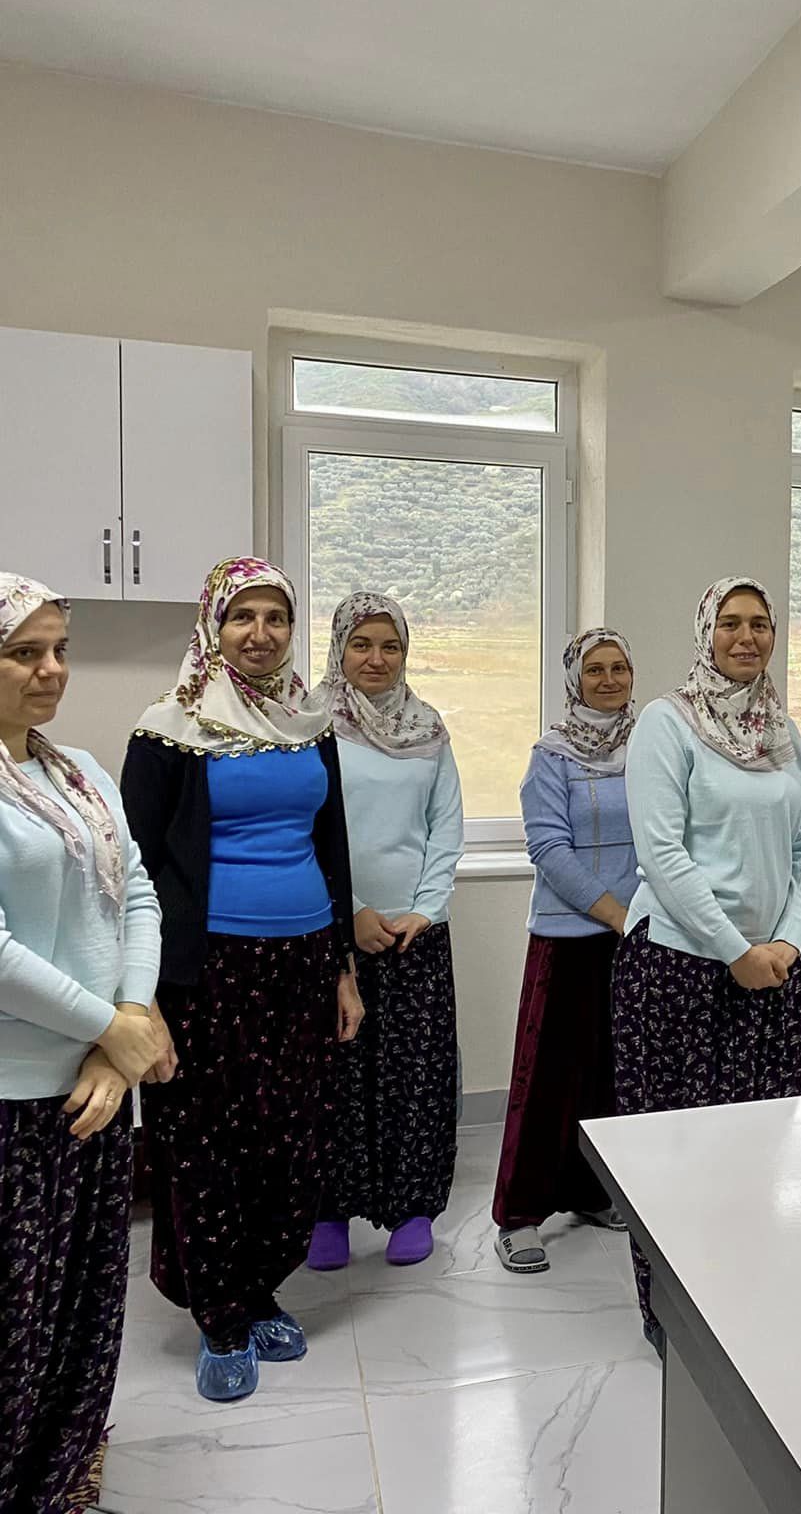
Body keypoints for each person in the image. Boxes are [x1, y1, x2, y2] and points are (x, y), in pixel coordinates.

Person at [122, 557, 362, 1402]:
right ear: (212, 626)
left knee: (290, 1139)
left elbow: (332, 847)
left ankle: (259, 1288)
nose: (260, 634)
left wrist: (344, 969)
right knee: (205, 1141)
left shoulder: (309, 721)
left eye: (276, 618)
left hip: (303, 961)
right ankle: (219, 1315)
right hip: (206, 969)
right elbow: (135, 867)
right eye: (242, 617)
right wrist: (142, 996)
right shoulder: (169, 727)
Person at [613, 578, 801, 1345]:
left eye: (760, 624)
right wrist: (735, 949)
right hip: (679, 966)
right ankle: (672, 1318)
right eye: (731, 623)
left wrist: (787, 942)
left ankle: (742, 1301)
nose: (746, 637)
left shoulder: (780, 730)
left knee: (756, 1149)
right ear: (706, 632)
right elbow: (661, 854)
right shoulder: (667, 724)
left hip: (771, 973)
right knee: (675, 1155)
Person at [0, 573, 171, 1512]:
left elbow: (135, 893)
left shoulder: (79, 773)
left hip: (100, 1085)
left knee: (85, 1305)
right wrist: (111, 1027)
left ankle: (63, 1477)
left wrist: (123, 1031)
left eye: (60, 649)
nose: (52, 670)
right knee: (15, 1324)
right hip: (15, 1095)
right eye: (24, 652)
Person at [304, 594, 463, 1269]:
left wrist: (424, 909)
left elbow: (445, 825)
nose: (376, 658)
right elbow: (306, 828)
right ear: (338, 647)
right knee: (333, 1076)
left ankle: (413, 1208)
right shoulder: (310, 723)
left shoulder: (428, 728)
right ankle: (328, 1212)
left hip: (417, 933)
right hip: (334, 929)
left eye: (389, 645)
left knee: (416, 1076)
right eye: (361, 644)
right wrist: (354, 911)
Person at [492, 628, 640, 1275]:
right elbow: (548, 848)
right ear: (574, 680)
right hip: (569, 935)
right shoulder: (550, 754)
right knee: (548, 1079)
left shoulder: (650, 745)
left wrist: (641, 915)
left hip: (637, 935)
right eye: (594, 670)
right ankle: (519, 1215)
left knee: (612, 1071)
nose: (608, 680)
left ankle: (592, 1192)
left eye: (619, 668)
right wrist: (615, 912)